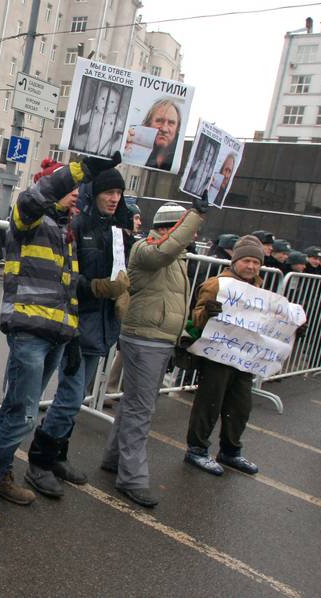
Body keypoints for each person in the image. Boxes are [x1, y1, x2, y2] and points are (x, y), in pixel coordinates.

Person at [0, 152, 122, 526]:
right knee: (23, 414)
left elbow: (67, 290)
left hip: (55, 334)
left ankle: (0, 475)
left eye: (77, 188)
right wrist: (80, 169)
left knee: (14, 409)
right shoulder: (28, 216)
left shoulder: (66, 230)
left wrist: (70, 337)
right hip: (30, 331)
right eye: (70, 186)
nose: (75, 192)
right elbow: (39, 194)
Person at [24, 166, 132, 499]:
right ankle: (39, 461)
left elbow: (119, 274)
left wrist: (121, 291)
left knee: (74, 398)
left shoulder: (115, 230)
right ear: (94, 192)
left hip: (101, 327)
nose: (114, 199)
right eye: (108, 192)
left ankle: (58, 455)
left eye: (118, 193)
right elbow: (68, 277)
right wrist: (98, 288)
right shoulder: (78, 225)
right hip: (76, 323)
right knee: (70, 396)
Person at [101, 195, 207, 508]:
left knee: (134, 404)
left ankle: (114, 459)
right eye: (189, 231)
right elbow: (165, 251)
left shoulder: (174, 257)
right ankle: (131, 478)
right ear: (171, 229)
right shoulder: (147, 249)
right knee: (140, 409)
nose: (194, 237)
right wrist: (196, 214)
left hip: (157, 338)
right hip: (145, 338)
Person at [183, 235, 267, 476]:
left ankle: (230, 450)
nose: (251, 266)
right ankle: (197, 449)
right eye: (247, 261)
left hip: (243, 358)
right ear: (235, 260)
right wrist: (207, 313)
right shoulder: (217, 284)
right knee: (210, 402)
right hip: (216, 356)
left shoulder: (258, 288)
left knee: (240, 406)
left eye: (256, 262)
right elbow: (195, 318)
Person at [126, 98, 181, 171]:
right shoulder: (132, 147)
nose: (164, 129)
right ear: (148, 124)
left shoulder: (181, 157)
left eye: (171, 123)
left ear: (177, 128)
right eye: (159, 121)